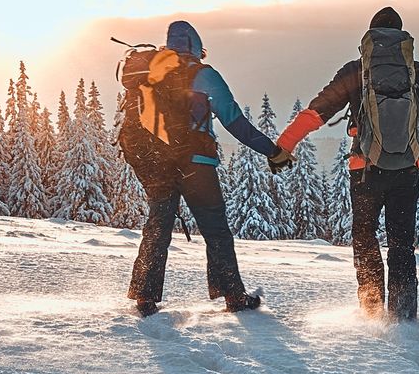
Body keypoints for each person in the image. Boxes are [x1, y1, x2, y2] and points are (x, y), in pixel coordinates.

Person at [275, 7, 419, 322]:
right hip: (407, 170)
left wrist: (285, 145)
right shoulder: (417, 73)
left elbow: (318, 111)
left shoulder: (356, 71)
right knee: (401, 243)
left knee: (365, 237)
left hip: (365, 171)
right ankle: (403, 316)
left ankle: (371, 311)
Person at [118, 20, 295, 317]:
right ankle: (233, 296)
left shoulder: (150, 75)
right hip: (196, 165)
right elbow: (234, 121)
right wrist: (273, 151)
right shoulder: (203, 75)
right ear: (196, 46)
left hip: (159, 165)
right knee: (215, 230)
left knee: (157, 228)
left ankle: (145, 298)